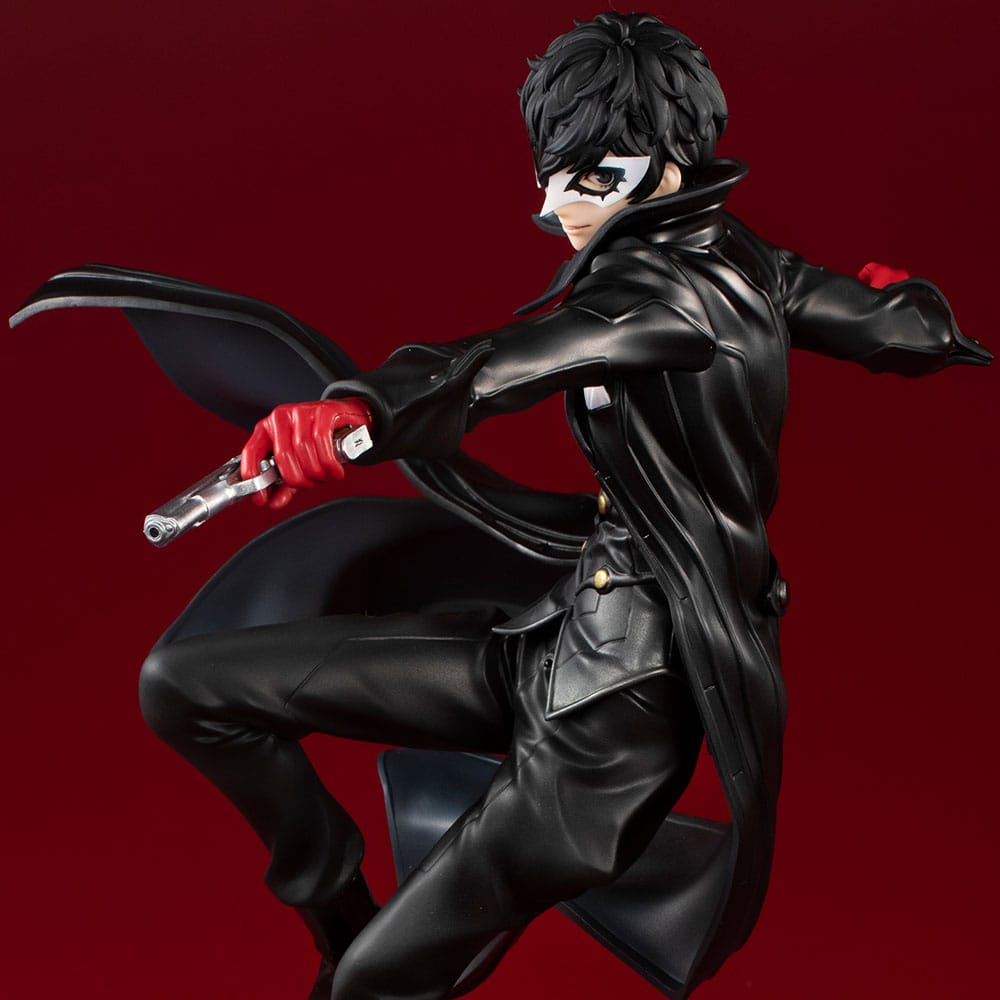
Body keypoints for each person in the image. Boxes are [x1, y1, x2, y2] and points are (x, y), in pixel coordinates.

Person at [137, 12, 991, 1000]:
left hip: (606, 731)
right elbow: (892, 324)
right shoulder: (744, 257)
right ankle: (339, 914)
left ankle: (359, 960)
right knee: (184, 686)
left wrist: (357, 416)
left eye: (590, 177)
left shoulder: (655, 298)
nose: (554, 206)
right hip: (551, 647)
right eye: (554, 172)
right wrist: (910, 309)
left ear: (665, 166)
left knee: (365, 991)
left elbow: (493, 365)